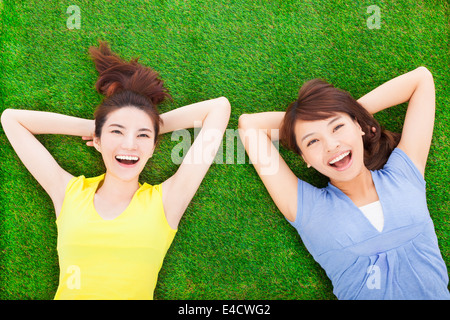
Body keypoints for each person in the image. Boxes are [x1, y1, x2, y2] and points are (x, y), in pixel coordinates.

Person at [1, 41, 231, 299]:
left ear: (154, 147)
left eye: (142, 137)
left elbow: (219, 108)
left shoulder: (168, 200)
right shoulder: (68, 193)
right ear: (97, 141)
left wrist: (149, 125)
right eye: (117, 132)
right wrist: (99, 126)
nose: (129, 145)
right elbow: (11, 119)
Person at [238, 67, 450, 299]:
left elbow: (421, 79)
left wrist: (348, 113)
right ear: (305, 159)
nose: (331, 145)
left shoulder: (404, 174)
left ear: (359, 127)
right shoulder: (307, 209)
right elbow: (249, 127)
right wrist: (305, 121)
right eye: (312, 142)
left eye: (337, 127)